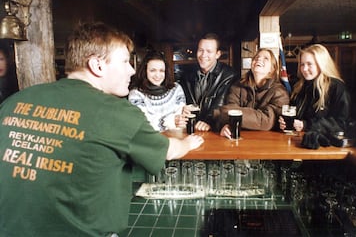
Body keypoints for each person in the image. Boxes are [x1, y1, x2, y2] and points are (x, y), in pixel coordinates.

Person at [0, 22, 204, 237]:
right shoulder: (117, 112)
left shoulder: (16, 100)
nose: (132, 70)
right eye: (125, 61)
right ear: (97, 66)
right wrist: (187, 143)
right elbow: (169, 152)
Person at [279, 44, 350, 138]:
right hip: (299, 140)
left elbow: (341, 124)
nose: (304, 69)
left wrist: (306, 125)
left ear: (321, 64)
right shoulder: (299, 86)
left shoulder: (336, 87)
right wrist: (283, 123)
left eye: (309, 64)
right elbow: (294, 117)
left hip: (325, 145)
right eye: (302, 64)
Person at [219, 48, 289, 138]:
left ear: (272, 68)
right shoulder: (238, 86)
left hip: (268, 143)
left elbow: (267, 121)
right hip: (239, 138)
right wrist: (225, 126)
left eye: (265, 58)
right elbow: (226, 114)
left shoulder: (280, 92)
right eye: (256, 57)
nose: (259, 59)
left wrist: (234, 115)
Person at [180, 33, 237, 132]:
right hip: (191, 128)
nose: (203, 55)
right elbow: (182, 100)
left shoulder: (229, 75)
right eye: (200, 50)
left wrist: (209, 122)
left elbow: (222, 105)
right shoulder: (187, 74)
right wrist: (181, 109)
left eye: (209, 51)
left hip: (215, 130)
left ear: (217, 54)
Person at [129, 50, 187, 131]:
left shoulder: (176, 89)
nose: (158, 75)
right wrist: (170, 121)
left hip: (177, 137)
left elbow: (181, 121)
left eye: (161, 71)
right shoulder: (136, 94)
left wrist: (172, 121)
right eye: (153, 70)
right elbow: (143, 126)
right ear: (145, 71)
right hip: (150, 141)